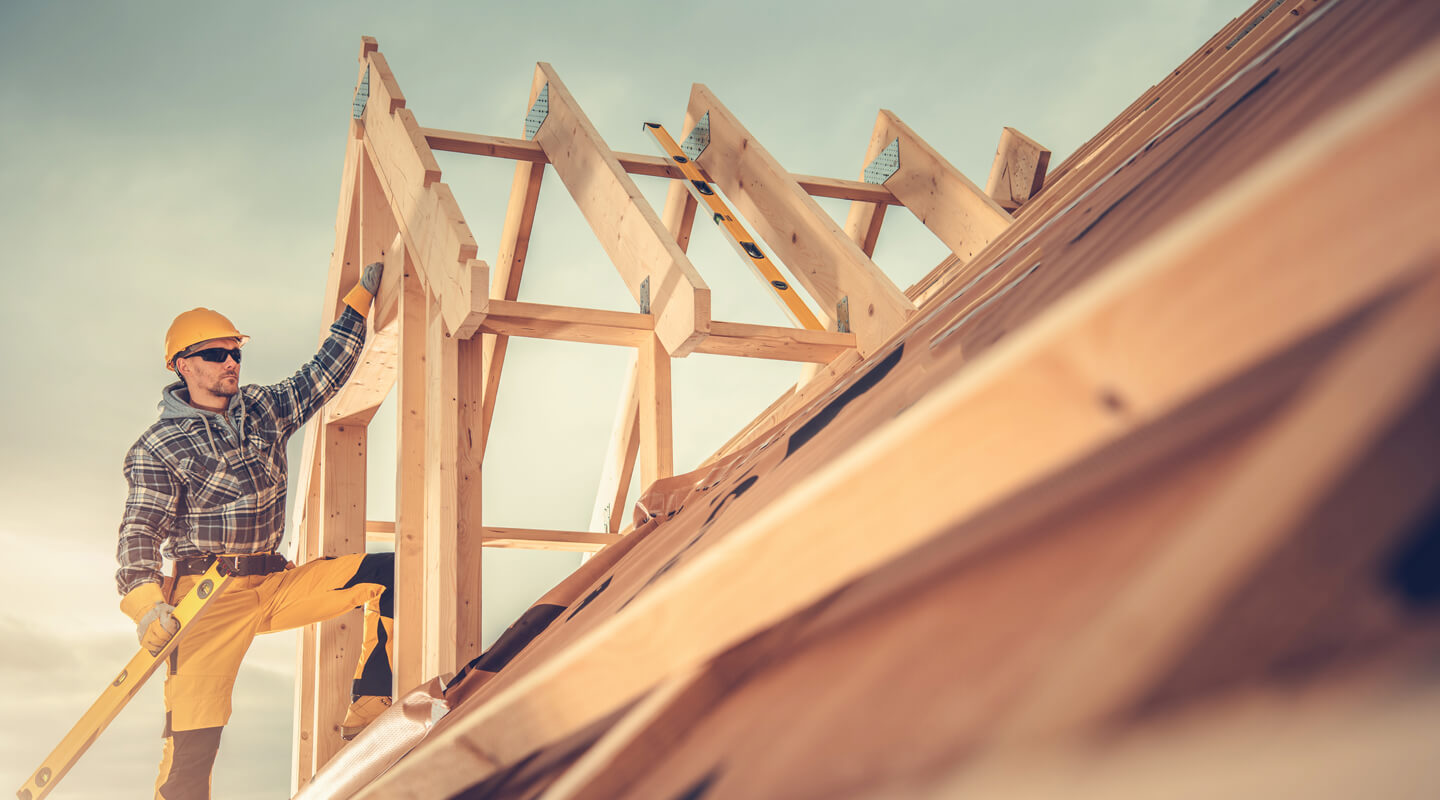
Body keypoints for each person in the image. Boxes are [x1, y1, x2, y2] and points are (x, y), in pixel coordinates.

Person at [116, 264, 393, 800]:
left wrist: (356, 308)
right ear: (181, 366)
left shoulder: (263, 409)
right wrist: (146, 605)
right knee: (192, 752)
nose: (231, 363)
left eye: (235, 353)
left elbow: (323, 374)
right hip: (206, 603)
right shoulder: (158, 447)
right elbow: (139, 533)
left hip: (274, 583)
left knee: (388, 573)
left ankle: (371, 703)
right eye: (216, 355)